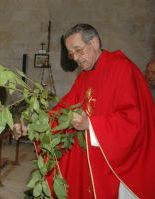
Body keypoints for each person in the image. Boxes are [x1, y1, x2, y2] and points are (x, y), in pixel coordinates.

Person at [41, 24, 155, 199]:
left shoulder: (122, 69)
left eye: (78, 50)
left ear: (94, 43)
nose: (76, 58)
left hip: (120, 165)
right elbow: (64, 108)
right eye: (72, 54)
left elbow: (134, 120)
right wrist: (37, 125)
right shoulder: (84, 75)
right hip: (94, 159)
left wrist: (92, 125)